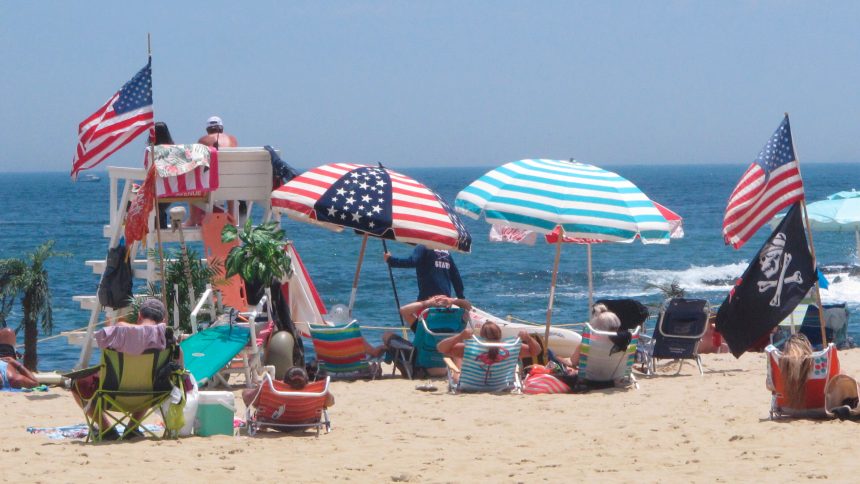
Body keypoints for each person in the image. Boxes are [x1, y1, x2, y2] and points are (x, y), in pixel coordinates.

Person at [71, 298, 183, 440]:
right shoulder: (167, 338)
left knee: (76, 383)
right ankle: (132, 428)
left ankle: (106, 430)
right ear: (163, 320)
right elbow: (180, 369)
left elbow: (103, 340)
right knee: (150, 378)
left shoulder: (120, 330)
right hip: (151, 395)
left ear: (139, 316)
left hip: (110, 395)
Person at [436, 322, 541, 383]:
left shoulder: (470, 347)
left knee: (460, 357)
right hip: (502, 385)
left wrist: (460, 336)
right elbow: (537, 351)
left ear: (481, 335)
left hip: (470, 385)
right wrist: (528, 338)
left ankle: (459, 372)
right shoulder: (511, 347)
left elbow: (441, 348)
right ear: (500, 335)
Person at [384, 245, 465, 304]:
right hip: (445, 300)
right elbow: (456, 277)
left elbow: (412, 261)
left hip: (428, 299)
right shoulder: (446, 251)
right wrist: (461, 298)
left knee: (405, 312)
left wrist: (391, 260)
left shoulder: (423, 246)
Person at [243, 366, 335, 408]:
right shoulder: (317, 391)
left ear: (285, 381)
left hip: (274, 422)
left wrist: (250, 391)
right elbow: (331, 403)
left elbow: (249, 399)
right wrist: (326, 392)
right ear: (307, 381)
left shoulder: (270, 388)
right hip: (306, 423)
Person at [399, 294, 472, 332]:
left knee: (388, 336)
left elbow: (403, 310)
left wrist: (427, 303)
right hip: (448, 357)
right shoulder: (456, 324)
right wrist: (452, 300)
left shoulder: (423, 327)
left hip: (422, 357)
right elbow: (468, 307)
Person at [779, 333, 814, 409]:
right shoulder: (813, 363)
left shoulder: (780, 364)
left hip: (786, 408)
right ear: (807, 347)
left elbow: (769, 386)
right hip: (817, 406)